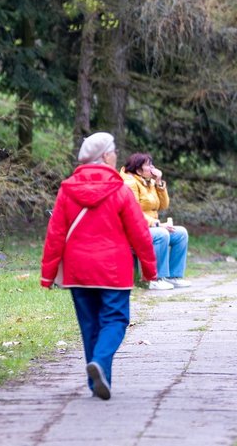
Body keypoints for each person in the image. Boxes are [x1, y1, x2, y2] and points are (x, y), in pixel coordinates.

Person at [41, 132, 158, 400]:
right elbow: (139, 232)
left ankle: (97, 384)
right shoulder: (119, 189)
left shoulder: (67, 188)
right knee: (115, 319)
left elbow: (55, 234)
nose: (116, 154)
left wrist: (48, 275)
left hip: (77, 270)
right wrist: (150, 270)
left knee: (90, 325)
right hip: (113, 269)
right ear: (105, 156)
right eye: (114, 150)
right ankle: (101, 364)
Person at [120, 152, 191, 290]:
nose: (153, 168)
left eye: (152, 164)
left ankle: (174, 276)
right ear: (138, 169)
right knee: (161, 234)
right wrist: (157, 224)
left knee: (181, 233)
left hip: (150, 227)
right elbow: (133, 211)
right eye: (149, 165)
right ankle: (154, 278)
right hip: (133, 229)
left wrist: (159, 183)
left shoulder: (149, 182)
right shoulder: (129, 182)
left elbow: (164, 205)